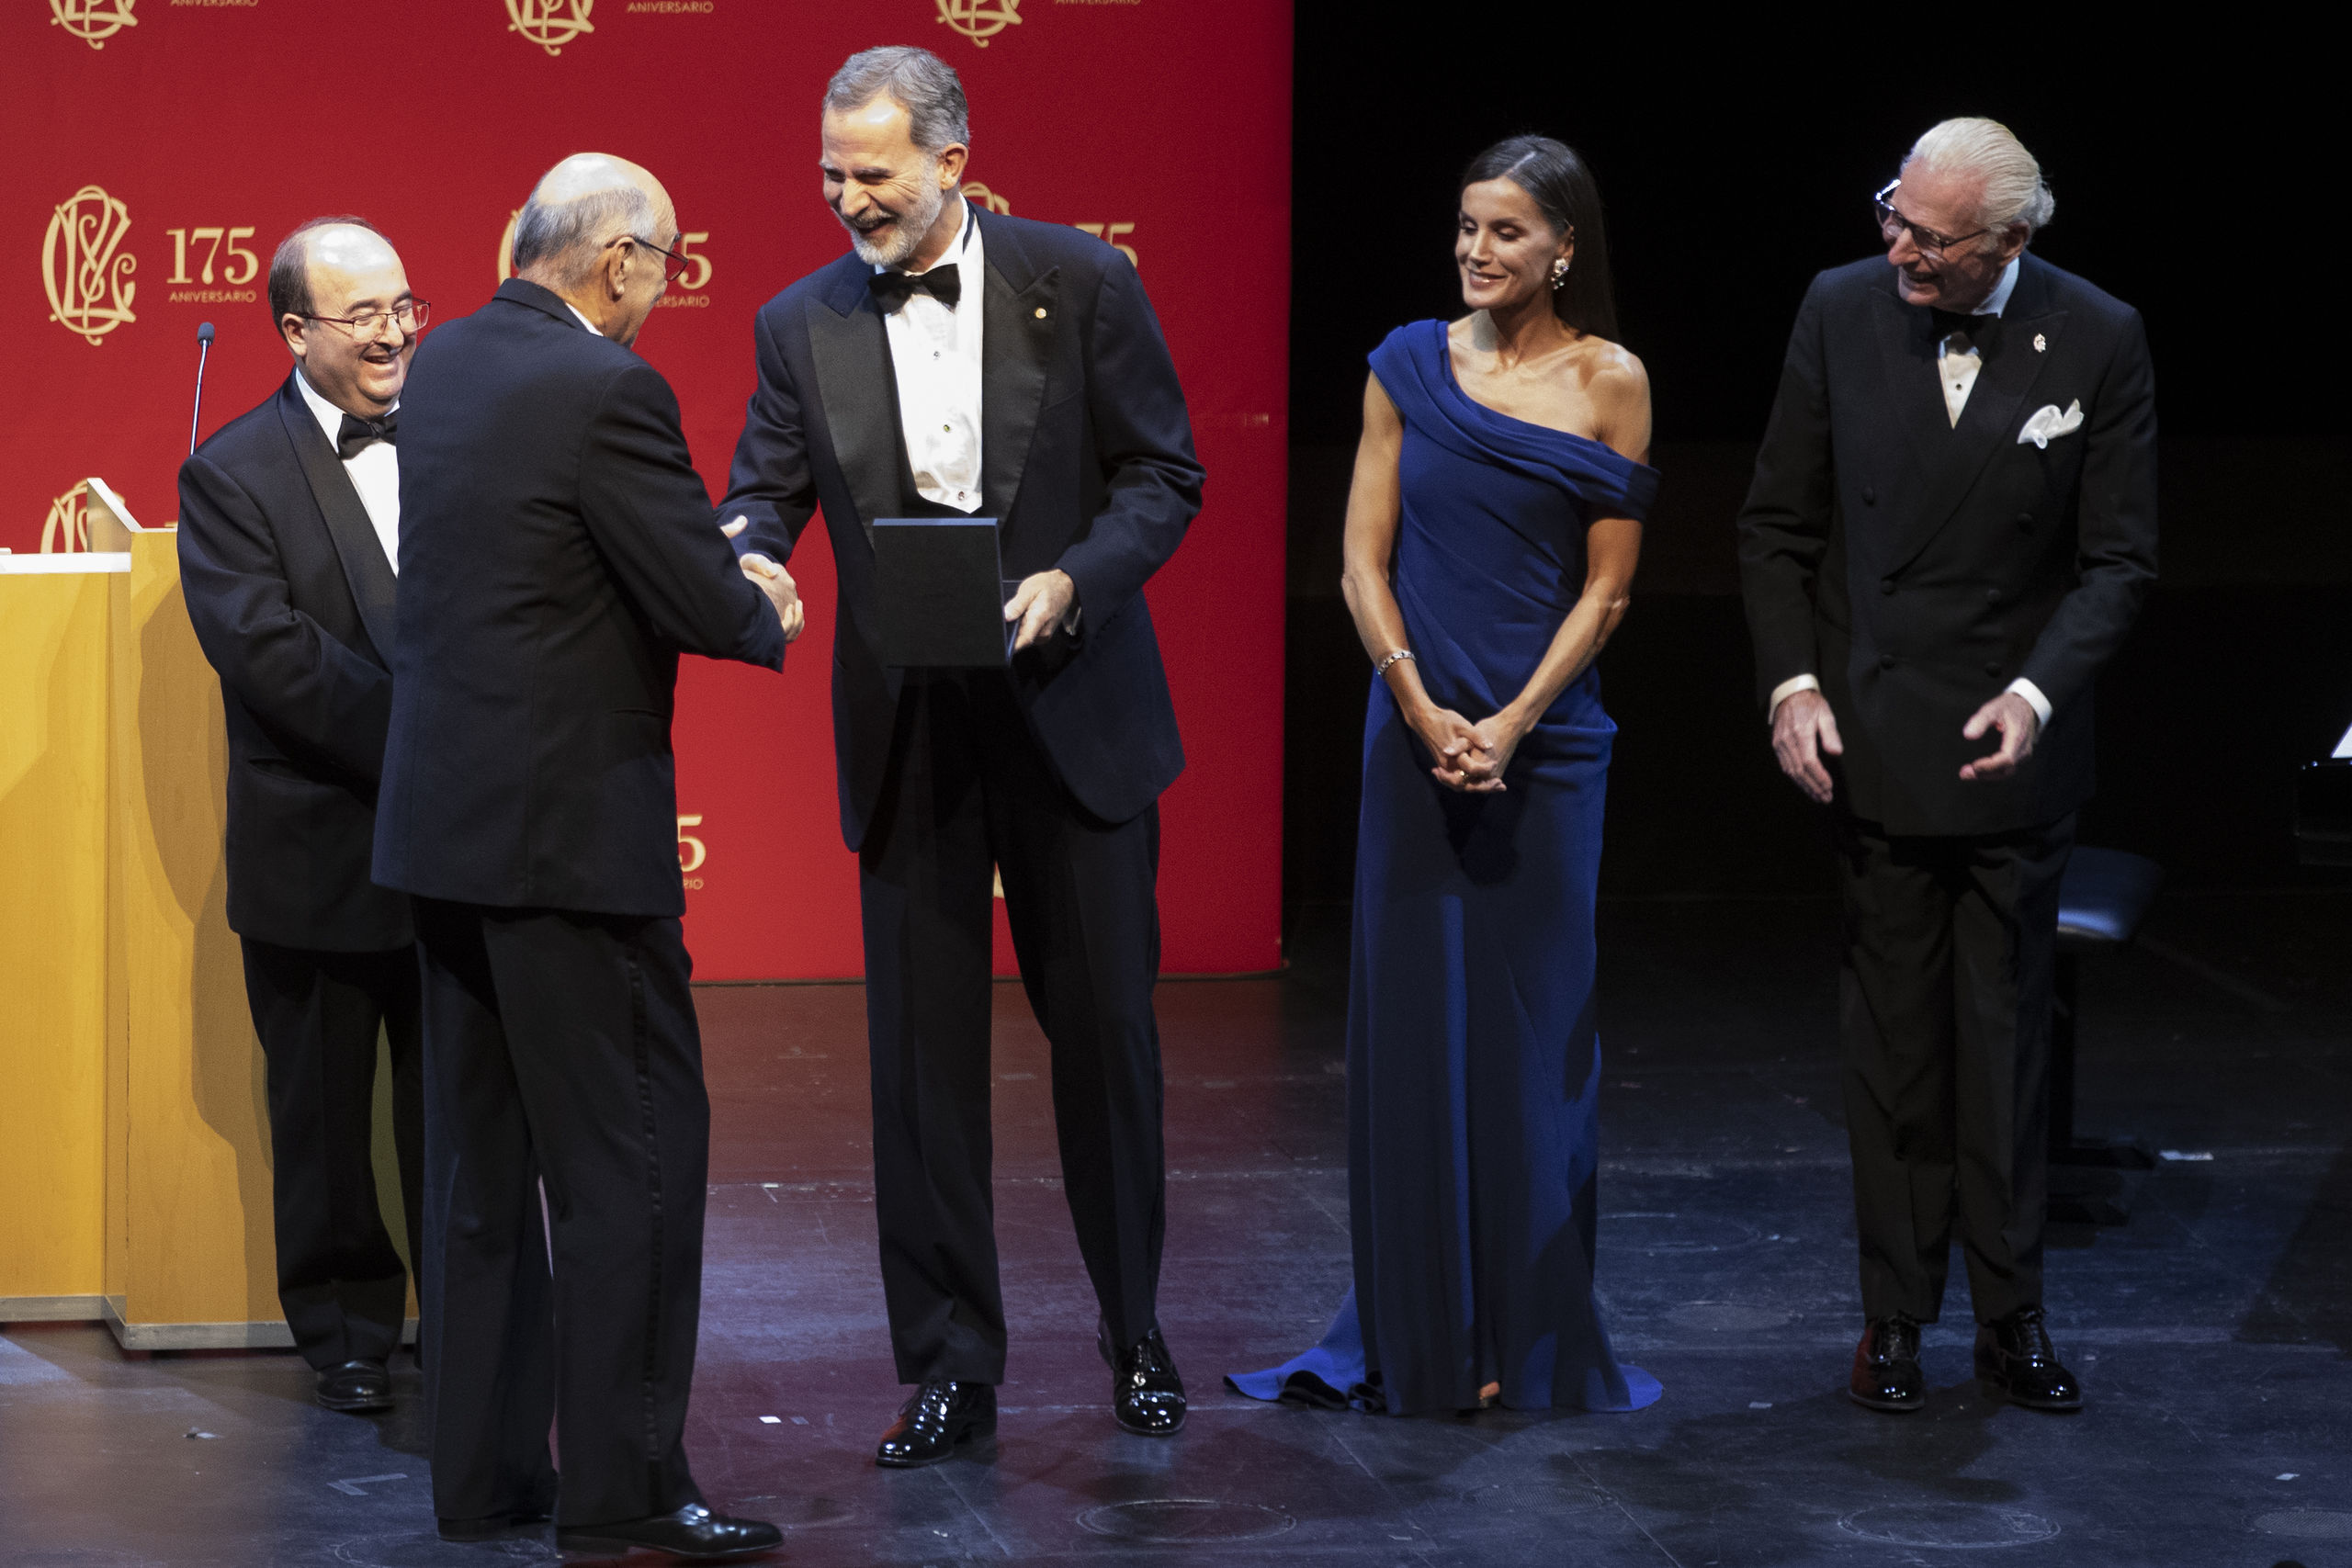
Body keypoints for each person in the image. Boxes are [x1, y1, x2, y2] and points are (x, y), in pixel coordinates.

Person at [720, 45, 1205, 1466]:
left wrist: (1074, 580)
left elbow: (1165, 474)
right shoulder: (796, 321)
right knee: (920, 1068)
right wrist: (747, 558)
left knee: (1106, 1039)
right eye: (830, 174)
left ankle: (1136, 1331)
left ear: (951, 161)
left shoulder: (1084, 280)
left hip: (1075, 707)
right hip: (912, 727)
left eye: (872, 173)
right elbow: (760, 491)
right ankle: (947, 1365)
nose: (847, 199)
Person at [373, 153, 794, 1557]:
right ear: (619, 261)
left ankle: (484, 1478)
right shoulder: (611, 389)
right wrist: (759, 588)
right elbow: (702, 599)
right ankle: (627, 1491)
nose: (665, 291)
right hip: (566, 846)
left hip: (444, 835)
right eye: (665, 265)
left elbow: (540, 562)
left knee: (478, 1176)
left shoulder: (444, 362)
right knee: (635, 1166)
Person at [1229, 136, 1660, 1417]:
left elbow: (1610, 589)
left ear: (1564, 247)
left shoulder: (1611, 380)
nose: (1478, 250)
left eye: (1507, 232)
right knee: (1417, 1037)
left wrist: (1514, 722)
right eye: (1468, 227)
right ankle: (1421, 1333)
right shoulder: (1406, 366)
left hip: (1548, 749)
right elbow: (1361, 562)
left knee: (1536, 1043)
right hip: (1411, 738)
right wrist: (1420, 707)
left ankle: (1527, 1335)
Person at [1736, 118, 2156, 1415]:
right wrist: (1793, 685)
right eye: (1893, 215)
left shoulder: (2099, 335)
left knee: (2006, 1040)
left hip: (2012, 747)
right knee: (1894, 1049)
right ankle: (1895, 1315)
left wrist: (2036, 692)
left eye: (1931, 236)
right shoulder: (1839, 309)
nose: (1899, 248)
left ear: (2011, 241)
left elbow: (2118, 563)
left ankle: (2012, 1314)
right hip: (1875, 737)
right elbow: (1776, 526)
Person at [177, 217, 427, 1417]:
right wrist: (437, 743)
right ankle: (346, 1336)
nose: (392, 335)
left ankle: (474, 1321)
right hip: (318, 848)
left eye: (403, 308)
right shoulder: (230, 473)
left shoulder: (460, 438)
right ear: (294, 330)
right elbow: (269, 655)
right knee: (323, 1122)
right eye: (362, 315)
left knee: (458, 1114)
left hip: (457, 850)